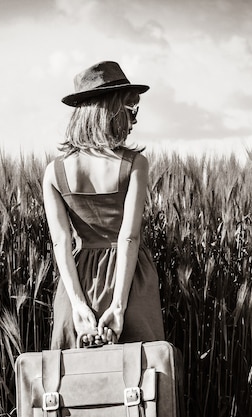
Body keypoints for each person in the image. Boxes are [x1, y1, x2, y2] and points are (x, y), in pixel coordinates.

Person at [42, 60, 165, 349]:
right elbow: (129, 237)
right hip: (131, 281)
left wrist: (77, 305)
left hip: (78, 282)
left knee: (74, 381)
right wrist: (119, 306)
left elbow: (60, 243)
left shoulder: (54, 172)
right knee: (139, 376)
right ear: (110, 110)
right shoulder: (135, 164)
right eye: (129, 108)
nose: (134, 119)